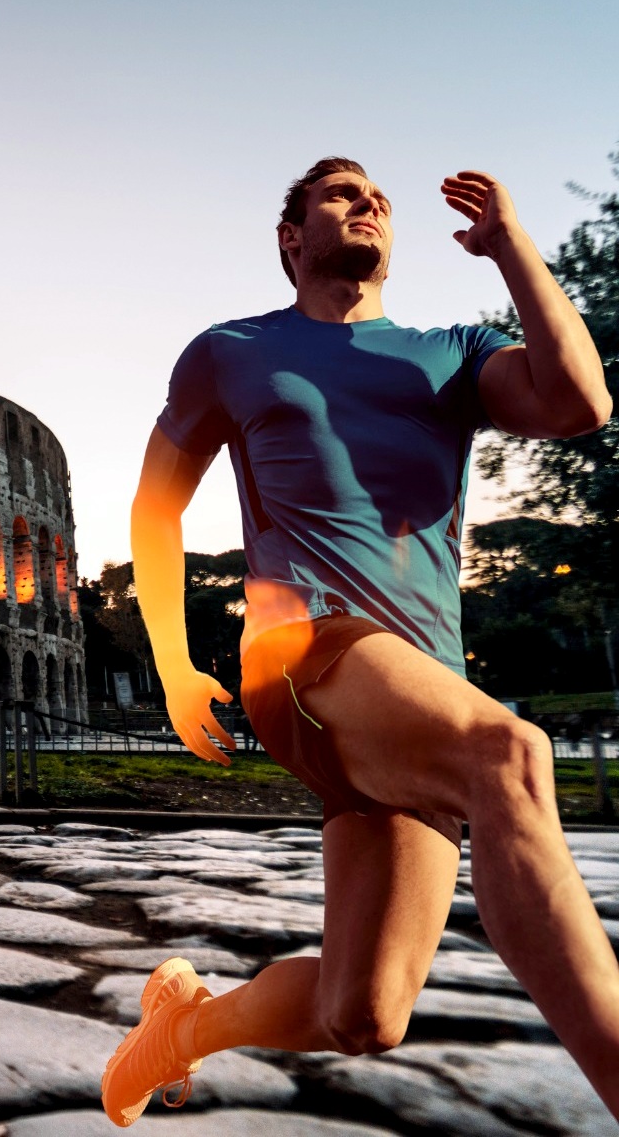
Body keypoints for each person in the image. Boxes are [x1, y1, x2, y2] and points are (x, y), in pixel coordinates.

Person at [102, 158, 613, 1125]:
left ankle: (184, 1025)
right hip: (304, 650)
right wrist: (174, 665)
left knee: (366, 1010)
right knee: (510, 753)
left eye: (377, 194)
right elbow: (156, 507)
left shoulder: (451, 352)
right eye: (340, 193)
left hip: (415, 686)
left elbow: (582, 402)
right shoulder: (231, 350)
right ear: (292, 239)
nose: (367, 201)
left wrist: (510, 248)